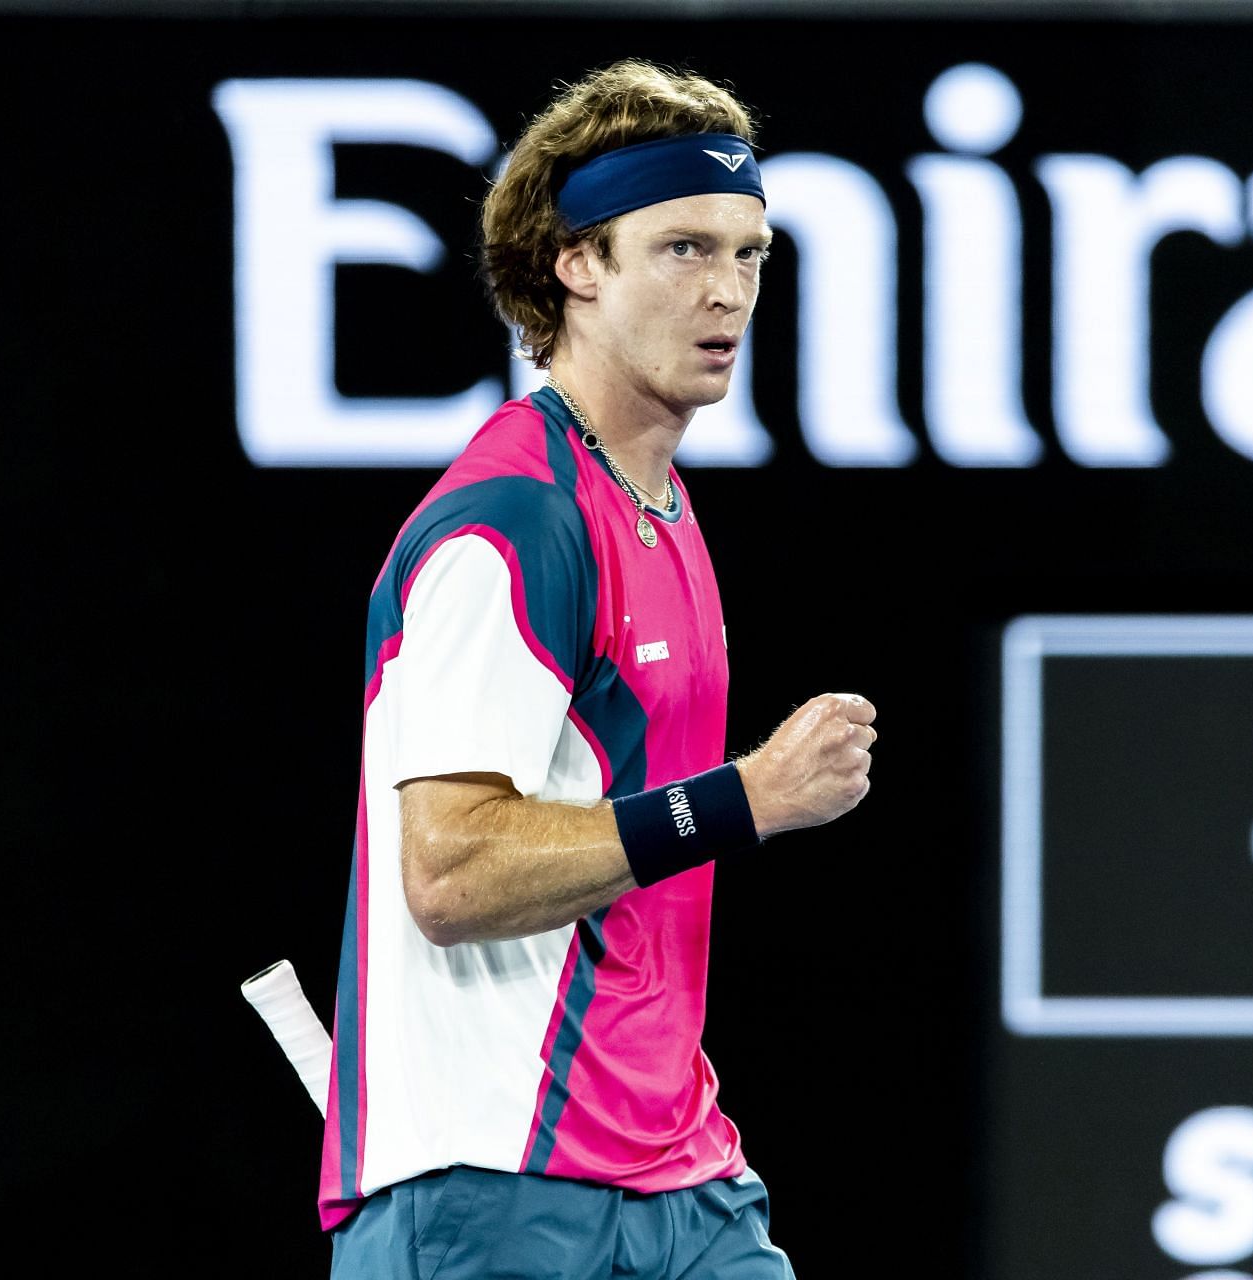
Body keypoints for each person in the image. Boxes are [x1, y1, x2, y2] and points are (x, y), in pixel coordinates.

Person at [318, 60, 878, 1279]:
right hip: (492, 1184)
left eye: (750, 254)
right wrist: (748, 799)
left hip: (679, 1174)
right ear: (577, 264)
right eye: (683, 248)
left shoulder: (658, 501)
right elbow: (452, 872)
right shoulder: (513, 519)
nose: (728, 290)